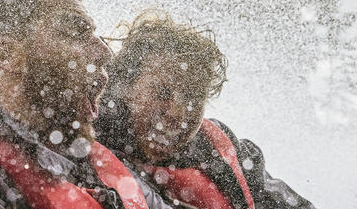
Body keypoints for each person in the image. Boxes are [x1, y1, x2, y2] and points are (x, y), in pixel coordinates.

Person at [0, 0, 170, 209]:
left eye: (96, 35)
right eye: (77, 32)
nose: (106, 53)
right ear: (6, 55)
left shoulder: (93, 160)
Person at [94, 11, 315, 209]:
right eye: (161, 93)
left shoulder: (219, 150)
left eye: (193, 99)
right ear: (125, 88)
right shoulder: (85, 137)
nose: (177, 114)